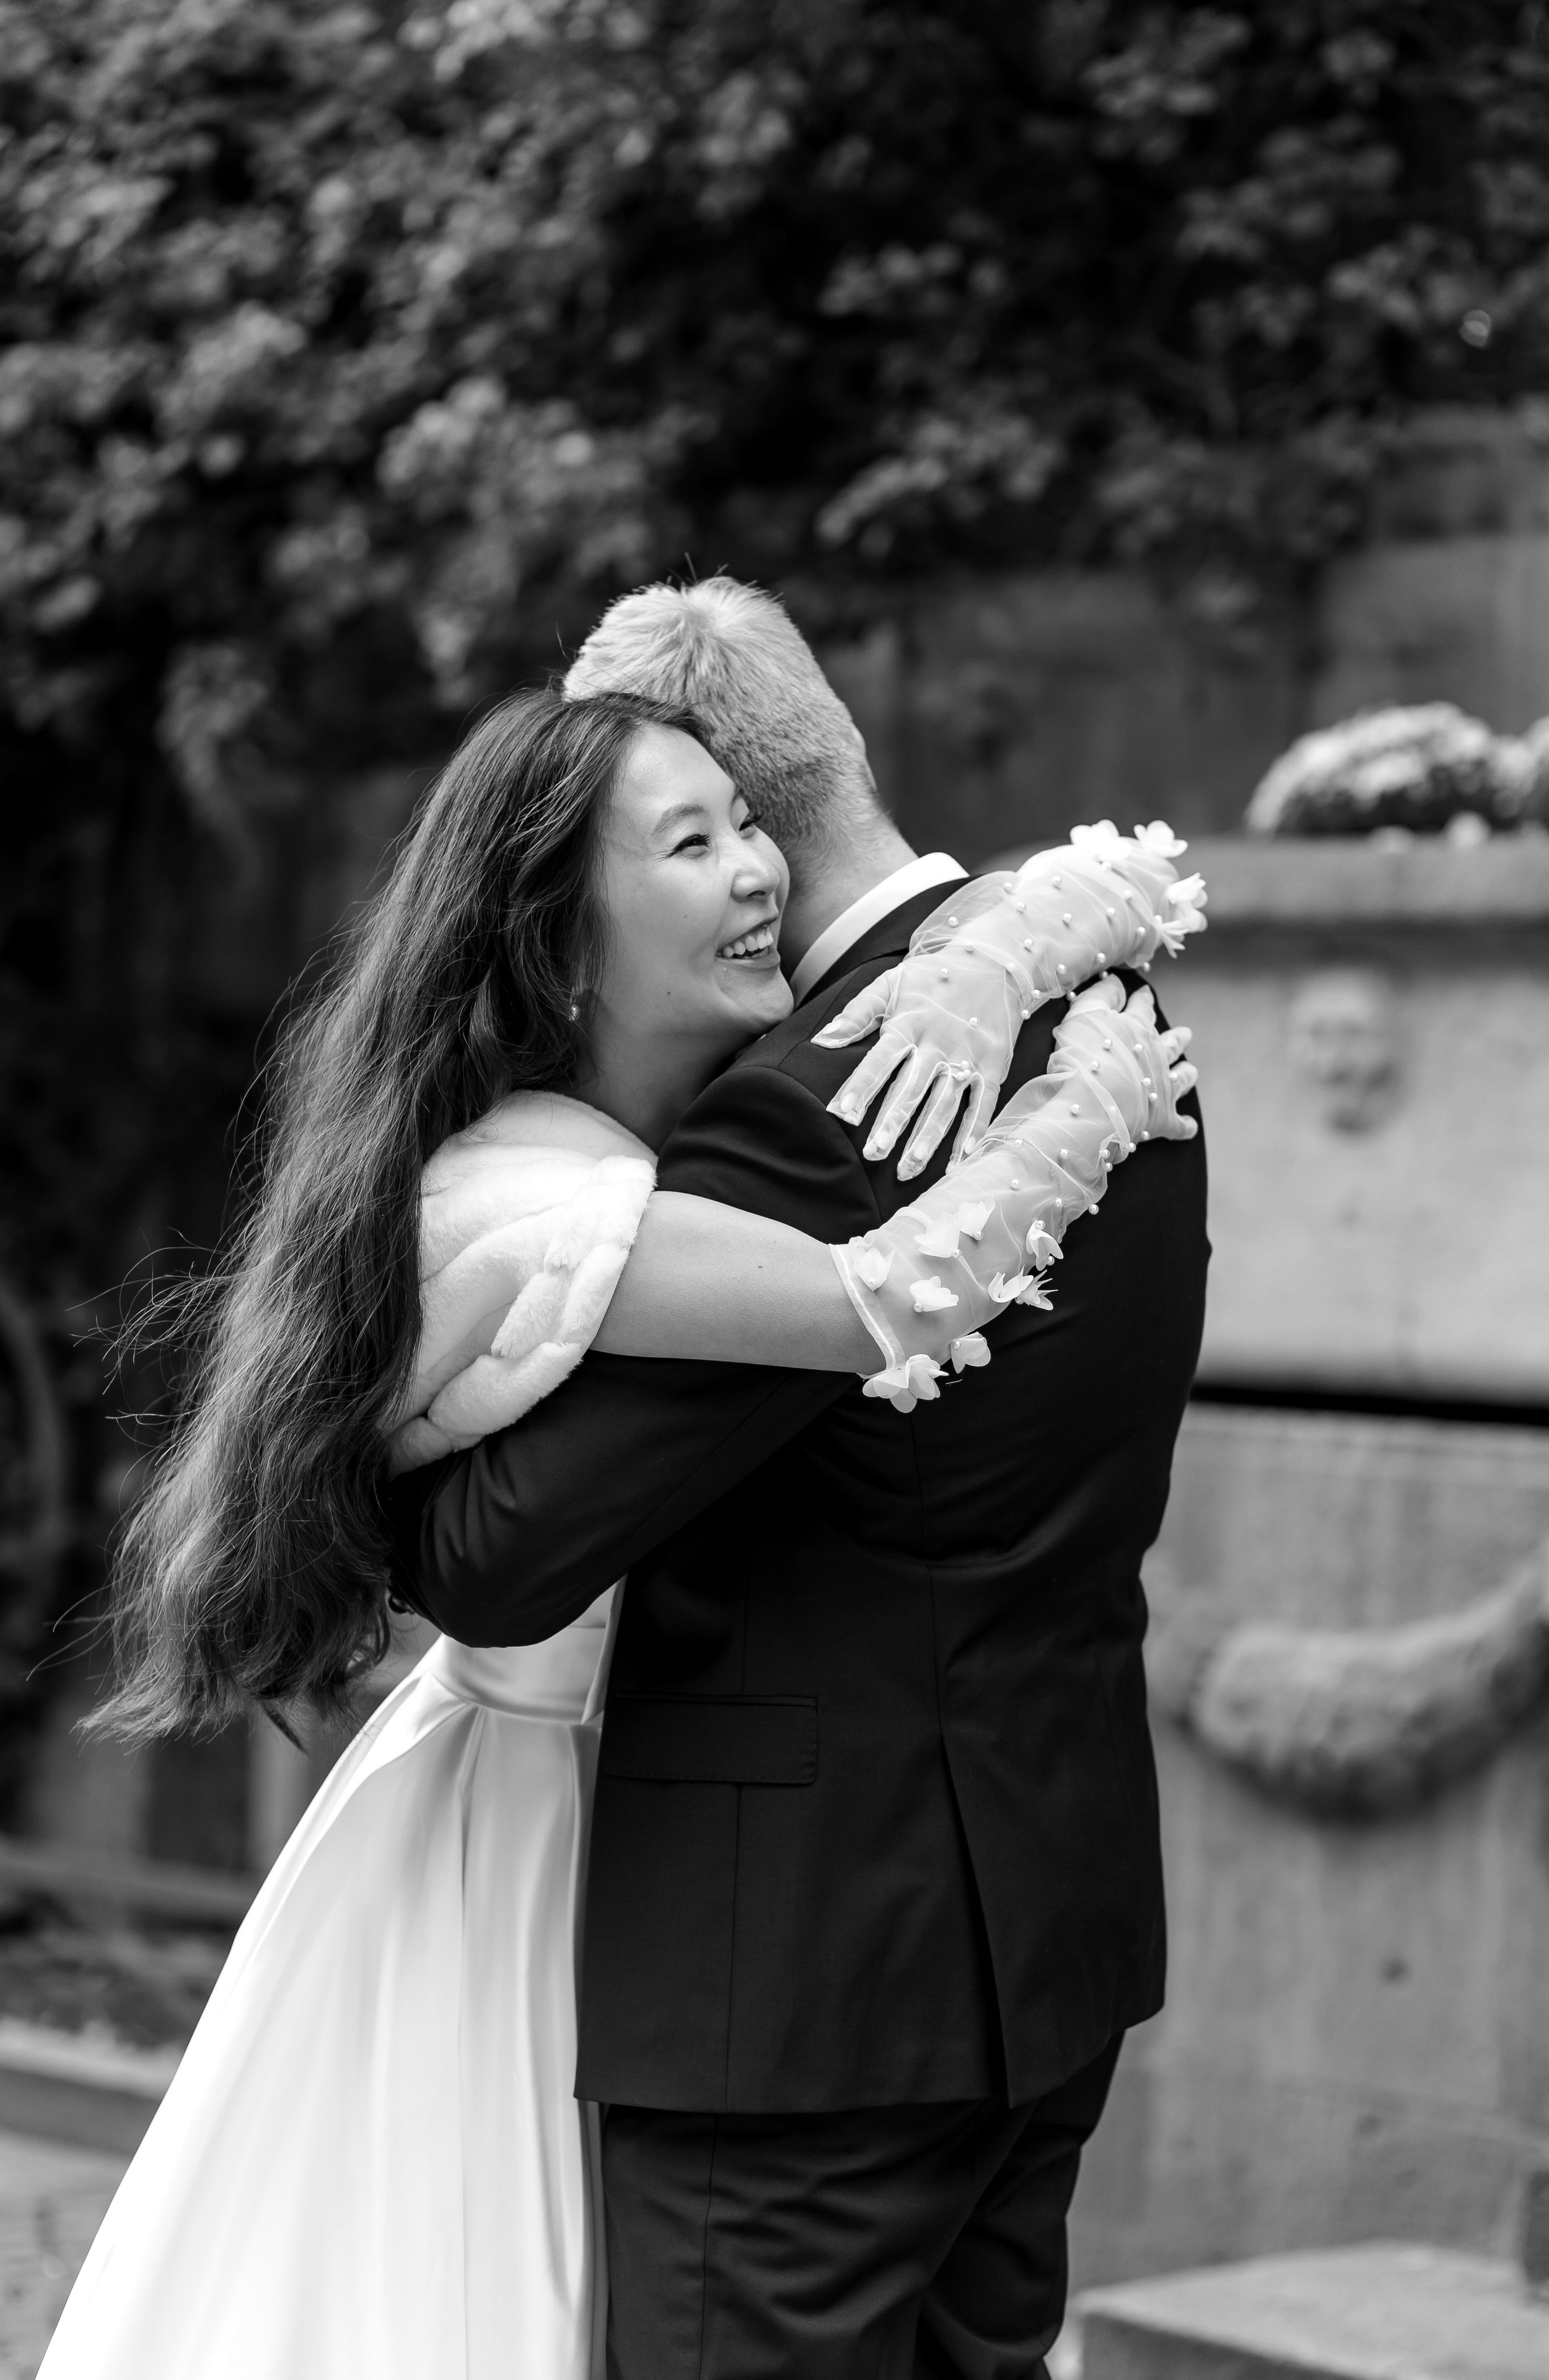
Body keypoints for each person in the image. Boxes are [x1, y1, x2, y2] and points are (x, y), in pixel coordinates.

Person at [40, 658, 1198, 2379]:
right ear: (561, 943)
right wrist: (1082, 1102)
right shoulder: (553, 1190)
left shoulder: (720, 1135)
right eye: (690, 843)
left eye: (747, 825)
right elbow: (869, 1309)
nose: (757, 871)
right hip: (534, 1850)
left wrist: (1035, 943)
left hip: (721, 1887)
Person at [387, 578, 1213, 2380]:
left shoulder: (820, 1097)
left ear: (726, 802)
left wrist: (375, 1436)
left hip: (805, 1995)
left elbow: (501, 1560)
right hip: (1046, 1928)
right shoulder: (1099, 990)